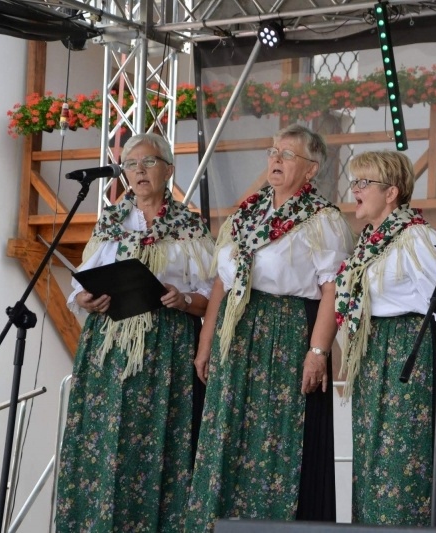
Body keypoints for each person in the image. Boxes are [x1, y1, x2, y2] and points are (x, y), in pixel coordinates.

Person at [186, 124, 354, 530]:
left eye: (287, 155)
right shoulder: (246, 214)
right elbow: (221, 284)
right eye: (273, 152)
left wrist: (317, 352)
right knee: (227, 434)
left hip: (286, 332)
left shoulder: (322, 219)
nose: (275, 160)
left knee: (275, 438)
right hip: (235, 334)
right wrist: (206, 342)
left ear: (311, 169)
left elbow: (334, 291)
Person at [56, 133, 215, 532]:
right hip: (110, 344)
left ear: (168, 169)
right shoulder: (110, 220)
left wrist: (185, 300)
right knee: (106, 439)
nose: (139, 171)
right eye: (130, 164)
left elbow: (215, 292)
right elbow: (81, 283)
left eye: (148, 162)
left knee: (160, 440)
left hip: (167, 346)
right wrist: (85, 299)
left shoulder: (190, 225)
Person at [335, 151, 436, 526]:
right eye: (353, 182)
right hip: (376, 354)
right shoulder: (369, 242)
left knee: (404, 460)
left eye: (363, 183)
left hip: (409, 351)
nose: (354, 190)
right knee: (374, 457)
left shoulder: (416, 238)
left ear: (391, 193)